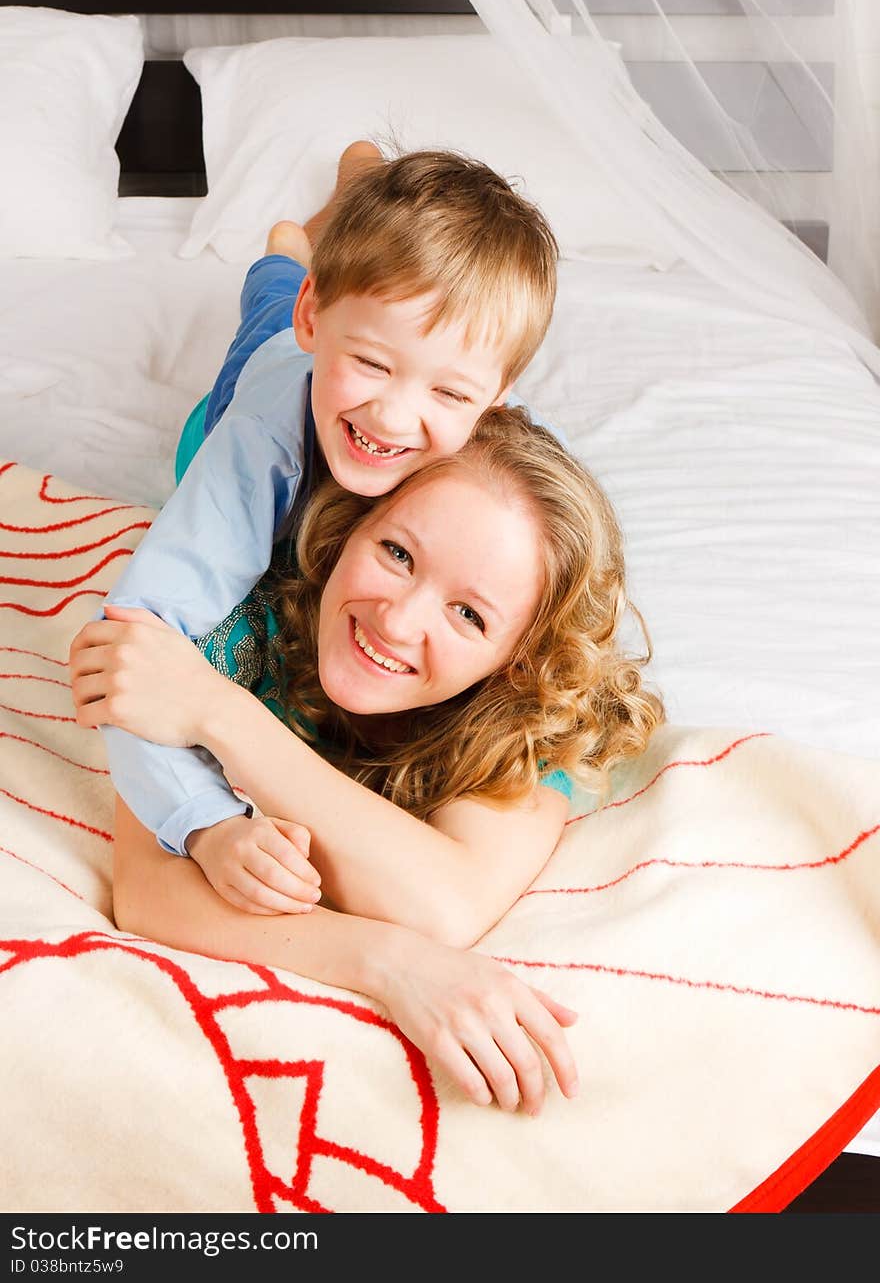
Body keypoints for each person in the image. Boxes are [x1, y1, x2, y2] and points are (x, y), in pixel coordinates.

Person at [71, 405, 663, 1112]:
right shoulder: (235, 608)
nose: (397, 618)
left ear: (519, 661)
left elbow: (442, 905)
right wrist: (382, 960)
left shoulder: (536, 715)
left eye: (468, 614)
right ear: (351, 524)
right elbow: (146, 888)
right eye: (397, 553)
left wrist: (219, 713)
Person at [97, 141, 562, 914]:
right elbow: (135, 641)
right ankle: (293, 243)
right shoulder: (260, 442)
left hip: (331, 370)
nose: (391, 416)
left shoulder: (494, 468)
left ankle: (356, 182)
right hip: (271, 378)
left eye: (449, 391)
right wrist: (207, 824)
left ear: (498, 400)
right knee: (266, 305)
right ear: (323, 319)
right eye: (372, 364)